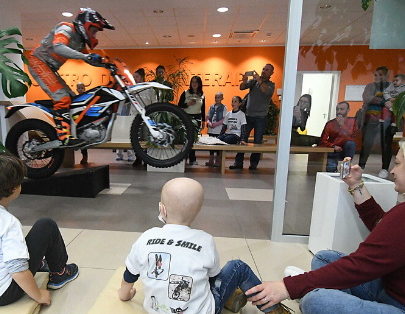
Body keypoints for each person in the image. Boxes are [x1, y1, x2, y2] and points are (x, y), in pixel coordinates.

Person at [245, 132, 405, 314]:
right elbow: (384, 227)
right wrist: (356, 184)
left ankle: (320, 293)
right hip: (399, 287)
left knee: (318, 302)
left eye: (398, 164)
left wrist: (287, 287)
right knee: (324, 258)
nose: (392, 171)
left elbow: (362, 264)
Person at [119, 178, 292, 314]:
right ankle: (272, 309)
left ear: (162, 210)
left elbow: (130, 273)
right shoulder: (204, 240)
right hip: (205, 311)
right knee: (238, 267)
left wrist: (124, 295)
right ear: (197, 212)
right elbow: (213, 278)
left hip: (157, 311)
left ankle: (231, 299)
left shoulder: (147, 237)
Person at [0, 153, 79, 307]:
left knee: (10, 246)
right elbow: (18, 271)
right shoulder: (8, 223)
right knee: (46, 226)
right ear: (14, 189)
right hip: (2, 294)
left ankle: (40, 264)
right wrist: (39, 295)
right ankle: (60, 274)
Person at [28, 8, 114, 147]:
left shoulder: (79, 40)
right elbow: (59, 47)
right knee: (62, 98)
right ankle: (63, 136)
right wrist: (85, 56)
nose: (94, 34)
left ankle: (75, 132)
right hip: (38, 62)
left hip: (50, 67)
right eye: (94, 30)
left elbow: (89, 59)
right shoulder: (66, 29)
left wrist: (106, 64)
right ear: (85, 25)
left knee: (73, 98)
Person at [231, 64, 275, 170]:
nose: (264, 71)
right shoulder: (253, 81)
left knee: (258, 141)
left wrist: (259, 80)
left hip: (261, 117)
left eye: (267, 70)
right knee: (243, 139)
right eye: (263, 69)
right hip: (248, 116)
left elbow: (266, 91)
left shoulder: (271, 85)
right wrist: (245, 81)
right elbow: (242, 87)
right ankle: (238, 162)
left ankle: (254, 164)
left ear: (271, 73)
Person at [358, 66, 390, 172]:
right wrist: (383, 102)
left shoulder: (391, 86)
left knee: (385, 145)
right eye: (376, 75)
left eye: (380, 75)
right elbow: (367, 97)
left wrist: (383, 101)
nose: (377, 77)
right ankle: (361, 167)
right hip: (370, 119)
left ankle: (384, 169)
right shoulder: (370, 86)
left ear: (386, 76)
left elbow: (395, 100)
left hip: (386, 120)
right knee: (367, 143)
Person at [378, 74, 405, 178]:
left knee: (396, 114)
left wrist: (395, 100)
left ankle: (394, 124)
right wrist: (389, 99)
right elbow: (386, 93)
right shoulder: (391, 86)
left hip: (398, 106)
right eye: (394, 80)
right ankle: (382, 120)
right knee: (385, 111)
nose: (395, 82)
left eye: (397, 80)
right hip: (389, 104)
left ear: (403, 81)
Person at [318, 102, 358, 172]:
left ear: (348, 110)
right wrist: (333, 146)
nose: (339, 111)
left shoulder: (353, 122)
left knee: (351, 144)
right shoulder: (330, 123)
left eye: (342, 109)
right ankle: (333, 168)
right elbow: (322, 141)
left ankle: (346, 168)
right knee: (330, 170)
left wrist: (342, 125)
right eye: (337, 109)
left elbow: (353, 138)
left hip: (346, 150)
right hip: (333, 151)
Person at [178, 76, 205, 166]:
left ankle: (193, 159)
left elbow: (203, 108)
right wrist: (187, 104)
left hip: (197, 118)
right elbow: (179, 105)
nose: (194, 84)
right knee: (186, 138)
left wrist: (203, 120)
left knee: (193, 139)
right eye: (192, 82)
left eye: (196, 82)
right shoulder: (186, 93)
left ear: (199, 84)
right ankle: (184, 157)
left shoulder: (202, 94)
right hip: (187, 117)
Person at [206, 92, 228, 166]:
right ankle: (211, 160)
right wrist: (209, 123)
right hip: (211, 129)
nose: (217, 99)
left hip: (218, 129)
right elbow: (208, 117)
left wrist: (216, 124)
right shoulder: (211, 107)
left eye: (219, 97)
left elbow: (224, 118)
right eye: (216, 97)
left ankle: (218, 160)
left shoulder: (224, 107)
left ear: (222, 98)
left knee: (218, 145)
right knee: (211, 145)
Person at [75, 82, 89, 164]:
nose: (80, 90)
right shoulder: (76, 98)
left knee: (84, 139)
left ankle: (85, 156)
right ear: (76, 89)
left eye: (82, 88)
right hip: (77, 121)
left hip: (84, 120)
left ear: (84, 89)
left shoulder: (87, 98)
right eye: (79, 88)